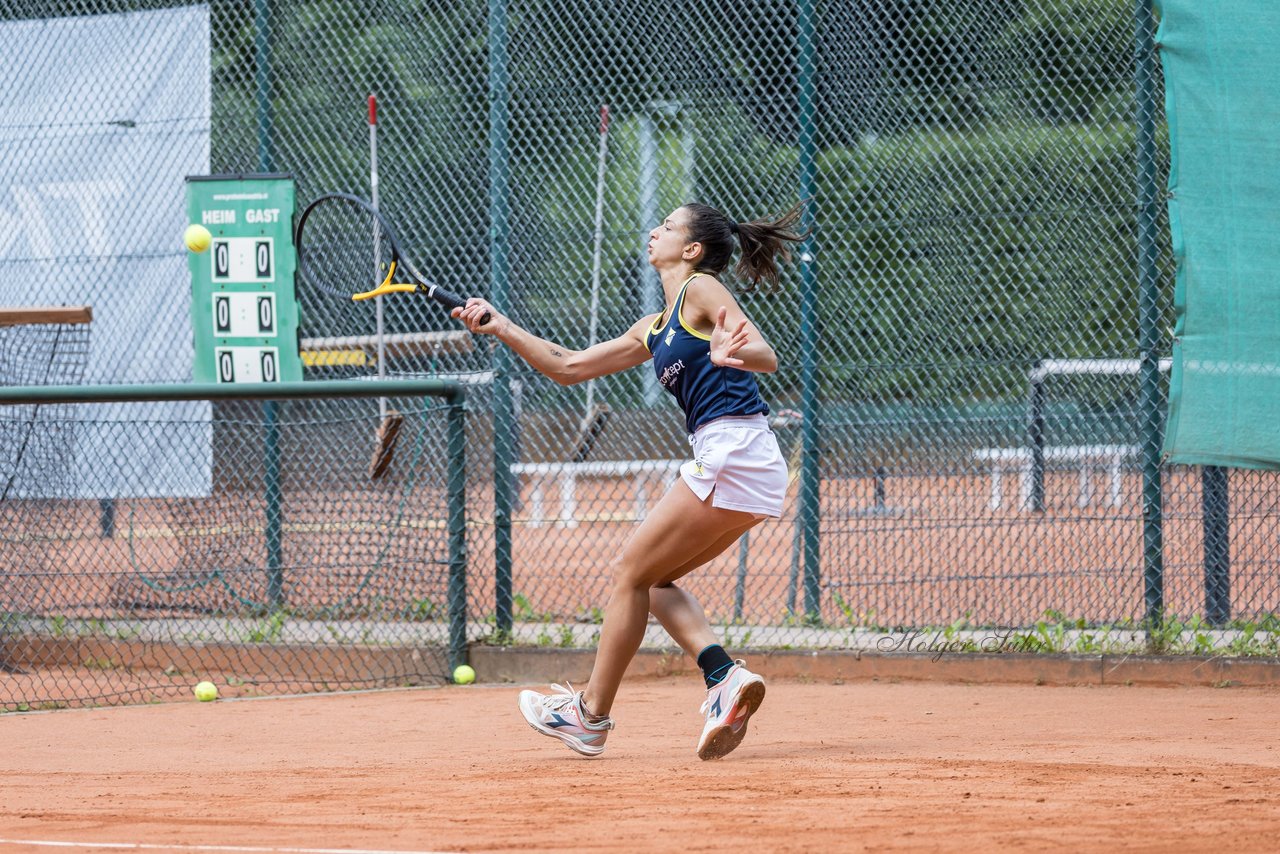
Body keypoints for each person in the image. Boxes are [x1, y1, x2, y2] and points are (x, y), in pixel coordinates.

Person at [452, 201, 807, 760]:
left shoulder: (701, 289)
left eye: (666, 227)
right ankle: (724, 679)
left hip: (733, 448)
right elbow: (568, 367)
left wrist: (734, 353)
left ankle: (590, 717)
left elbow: (766, 355)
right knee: (654, 581)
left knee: (627, 573)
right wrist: (500, 327)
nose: (653, 231)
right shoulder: (654, 326)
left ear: (690, 249)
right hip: (748, 461)